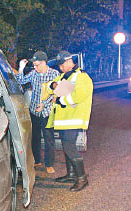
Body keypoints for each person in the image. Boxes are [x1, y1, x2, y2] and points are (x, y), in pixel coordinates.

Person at [42, 50, 93, 192]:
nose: (60, 68)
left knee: (70, 147)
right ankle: (71, 174)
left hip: (74, 118)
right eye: (59, 65)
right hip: (65, 119)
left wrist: (59, 99)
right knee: (66, 146)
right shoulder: (65, 76)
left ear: (70, 62)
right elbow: (49, 85)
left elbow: (79, 96)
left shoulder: (81, 77)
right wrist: (53, 86)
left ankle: (82, 178)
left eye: (62, 64)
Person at [17, 51, 60, 174]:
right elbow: (20, 81)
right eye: (34, 65)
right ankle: (37, 160)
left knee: (48, 138)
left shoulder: (54, 74)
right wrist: (21, 68)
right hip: (34, 111)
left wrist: (44, 105)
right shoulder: (33, 74)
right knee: (34, 137)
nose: (35, 67)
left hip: (47, 111)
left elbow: (56, 94)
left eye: (37, 65)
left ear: (44, 63)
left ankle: (49, 164)